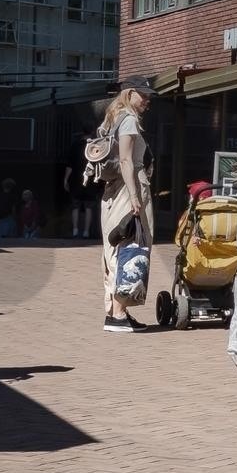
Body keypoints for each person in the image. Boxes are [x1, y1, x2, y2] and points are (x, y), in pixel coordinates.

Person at [98, 76, 156, 332]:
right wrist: (134, 196)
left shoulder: (112, 118)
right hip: (128, 187)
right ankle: (119, 313)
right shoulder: (129, 119)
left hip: (112, 190)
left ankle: (115, 311)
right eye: (143, 95)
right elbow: (126, 160)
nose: (147, 100)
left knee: (115, 246)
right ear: (129, 93)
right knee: (132, 244)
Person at [63, 131, 100, 239]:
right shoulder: (95, 145)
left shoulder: (75, 145)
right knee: (89, 207)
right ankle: (86, 232)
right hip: (90, 180)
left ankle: (75, 230)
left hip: (76, 180)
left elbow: (69, 165)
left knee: (75, 206)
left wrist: (66, 179)